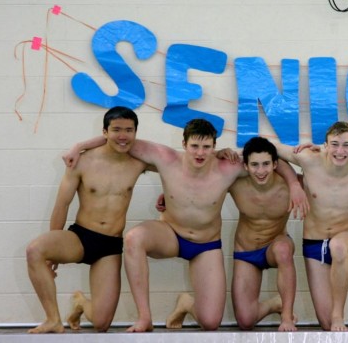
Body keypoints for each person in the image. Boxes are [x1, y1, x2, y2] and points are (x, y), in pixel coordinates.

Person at [62, 119, 307, 332]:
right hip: (170, 234)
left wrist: (295, 185)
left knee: (211, 322)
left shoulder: (229, 167)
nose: (200, 153)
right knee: (134, 238)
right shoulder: (166, 158)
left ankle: (187, 303)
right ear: (184, 144)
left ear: (215, 146)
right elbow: (121, 139)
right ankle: (144, 317)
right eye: (194, 146)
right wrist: (80, 146)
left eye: (206, 147)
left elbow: (270, 158)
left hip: (206, 245)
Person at [25, 106, 152, 333]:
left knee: (101, 324)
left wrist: (219, 155)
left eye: (129, 130)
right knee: (35, 250)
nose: (123, 136)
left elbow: (177, 164)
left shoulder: (139, 162)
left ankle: (81, 303)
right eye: (116, 130)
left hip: (110, 246)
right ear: (104, 132)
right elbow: (62, 204)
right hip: (81, 237)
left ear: (135, 133)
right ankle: (53, 319)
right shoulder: (82, 162)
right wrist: (52, 250)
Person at [165, 137, 300, 331]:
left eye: (265, 165)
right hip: (246, 251)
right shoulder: (235, 182)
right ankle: (273, 304)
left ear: (275, 164)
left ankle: (286, 316)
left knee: (283, 249)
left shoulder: (291, 185)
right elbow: (199, 186)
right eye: (254, 165)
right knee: (246, 321)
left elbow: (325, 195)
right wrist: (169, 199)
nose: (260, 171)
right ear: (245, 165)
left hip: (274, 244)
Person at [271, 121, 348, 331]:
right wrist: (293, 183)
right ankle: (331, 320)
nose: (340, 151)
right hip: (314, 243)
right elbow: (266, 147)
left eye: (346, 145)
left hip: (346, 238)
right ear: (325, 145)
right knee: (326, 324)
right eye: (334, 144)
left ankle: (339, 316)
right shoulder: (308, 159)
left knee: (337, 246)